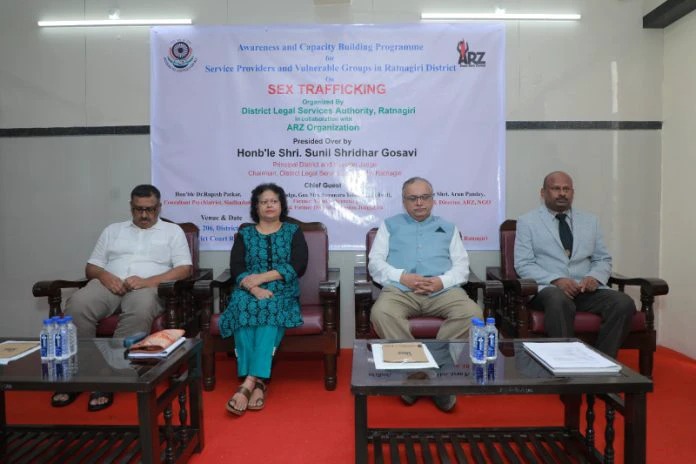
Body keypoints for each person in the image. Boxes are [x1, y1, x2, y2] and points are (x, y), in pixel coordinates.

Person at [51, 184, 193, 411]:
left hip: (147, 287)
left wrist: (148, 281)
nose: (144, 215)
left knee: (141, 308)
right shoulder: (113, 230)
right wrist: (104, 275)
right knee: (77, 305)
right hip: (109, 284)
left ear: (159, 207)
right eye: (138, 209)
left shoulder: (172, 232)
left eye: (150, 209)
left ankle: (111, 375)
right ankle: (79, 375)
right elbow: (91, 267)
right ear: (131, 207)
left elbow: (184, 269)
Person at [368, 176, 482, 412]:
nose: (419, 203)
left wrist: (441, 282)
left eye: (424, 197)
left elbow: (462, 268)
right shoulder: (389, 226)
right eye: (413, 198)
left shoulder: (449, 228)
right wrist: (402, 277)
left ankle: (427, 373)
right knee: (381, 313)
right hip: (401, 290)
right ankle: (420, 373)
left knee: (472, 313)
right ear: (404, 201)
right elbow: (375, 264)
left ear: (432, 199)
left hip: (442, 291)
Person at [514, 171, 636, 358]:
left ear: (572, 192)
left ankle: (602, 362)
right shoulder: (527, 222)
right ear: (543, 193)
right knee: (558, 299)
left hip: (583, 289)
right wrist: (557, 280)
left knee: (623, 303)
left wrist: (594, 277)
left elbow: (602, 259)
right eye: (556, 189)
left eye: (566, 189)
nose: (562, 193)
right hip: (548, 290)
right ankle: (567, 365)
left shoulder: (590, 221)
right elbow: (523, 264)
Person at [219, 183, 308, 417]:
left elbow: (298, 265)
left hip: (282, 289)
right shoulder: (245, 234)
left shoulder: (293, 231)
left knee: (270, 306)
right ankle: (258, 384)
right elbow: (236, 267)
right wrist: (254, 287)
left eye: (274, 201)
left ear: (281, 205)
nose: (269, 205)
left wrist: (261, 278)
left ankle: (248, 381)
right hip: (248, 289)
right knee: (242, 305)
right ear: (256, 207)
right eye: (264, 201)